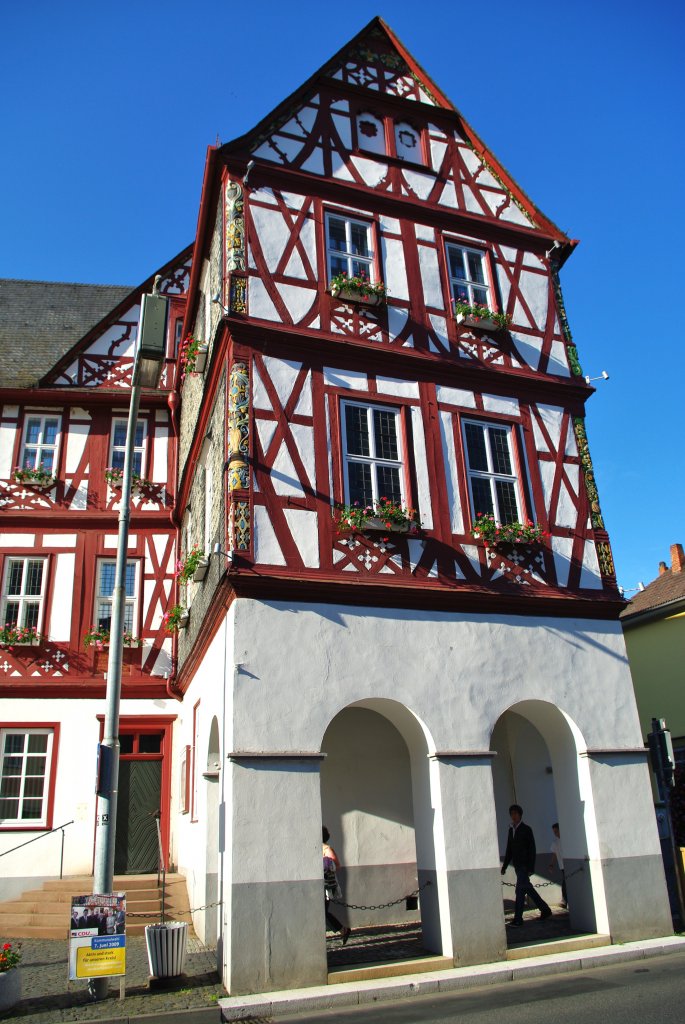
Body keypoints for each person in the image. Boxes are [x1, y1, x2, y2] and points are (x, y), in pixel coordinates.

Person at [501, 803, 552, 927]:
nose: (513, 816)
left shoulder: (526, 829)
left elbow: (532, 849)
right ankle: (545, 910)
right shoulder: (511, 830)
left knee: (519, 891)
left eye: (515, 813)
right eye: (511, 814)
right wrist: (505, 866)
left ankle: (518, 919)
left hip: (524, 866)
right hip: (518, 866)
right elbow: (509, 849)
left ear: (520, 815)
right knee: (527, 889)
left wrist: (531, 867)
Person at [322, 826, 350, 945]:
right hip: (318, 885)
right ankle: (342, 930)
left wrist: (326, 864)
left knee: (322, 913)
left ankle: (342, 930)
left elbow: (336, 865)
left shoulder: (326, 848)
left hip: (325, 886)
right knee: (321, 913)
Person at [549, 822, 567, 908]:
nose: (555, 833)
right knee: (564, 882)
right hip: (562, 866)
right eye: (554, 832)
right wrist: (551, 864)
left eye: (556, 831)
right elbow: (554, 854)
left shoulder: (566, 839)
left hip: (568, 865)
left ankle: (565, 900)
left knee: (565, 882)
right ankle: (565, 900)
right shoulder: (555, 842)